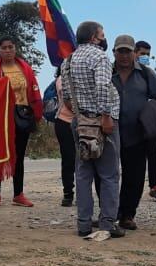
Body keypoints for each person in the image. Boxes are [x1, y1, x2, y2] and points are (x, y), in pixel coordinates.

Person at [62, 22, 121, 236]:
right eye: (102, 35)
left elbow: (67, 99)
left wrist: (81, 114)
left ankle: (83, 224)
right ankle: (107, 223)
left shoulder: (67, 61)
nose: (104, 39)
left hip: (81, 123)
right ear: (95, 38)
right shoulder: (100, 58)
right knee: (109, 175)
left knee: (83, 174)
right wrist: (105, 117)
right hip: (103, 123)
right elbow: (103, 87)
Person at [113, 35, 156, 230]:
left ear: (133, 53)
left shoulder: (145, 74)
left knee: (134, 176)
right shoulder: (105, 73)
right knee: (107, 176)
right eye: (120, 51)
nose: (124, 55)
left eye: (128, 51)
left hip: (137, 133)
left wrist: (154, 113)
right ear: (114, 52)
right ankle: (109, 213)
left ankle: (127, 215)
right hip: (109, 132)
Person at [0, 37, 44, 208]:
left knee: (18, 156)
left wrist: (37, 114)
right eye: (4, 47)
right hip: (1, 117)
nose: (8, 50)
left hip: (23, 115)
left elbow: (34, 90)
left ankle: (18, 194)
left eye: (11, 47)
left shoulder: (24, 68)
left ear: (15, 49)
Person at [134, 39, 156, 202]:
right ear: (134, 53)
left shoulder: (148, 73)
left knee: (153, 154)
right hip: (127, 123)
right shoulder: (120, 71)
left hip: (147, 123)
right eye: (142, 54)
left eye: (147, 55)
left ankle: (155, 187)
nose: (145, 57)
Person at [52, 67, 77, 207]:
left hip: (83, 122)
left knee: (84, 161)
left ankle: (82, 193)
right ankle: (68, 193)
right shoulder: (61, 80)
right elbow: (68, 102)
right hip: (65, 122)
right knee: (68, 159)